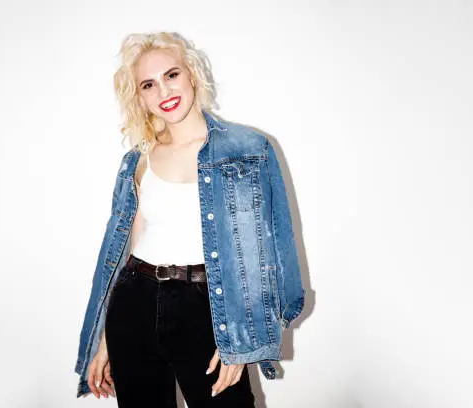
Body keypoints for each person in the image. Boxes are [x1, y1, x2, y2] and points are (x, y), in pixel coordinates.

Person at [73, 31, 305, 407]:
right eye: (148, 84)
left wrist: (243, 340)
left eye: (172, 75)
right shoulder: (137, 160)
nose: (164, 91)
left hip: (209, 310)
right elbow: (123, 251)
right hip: (135, 305)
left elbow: (276, 250)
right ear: (140, 97)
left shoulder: (249, 150)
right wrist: (103, 340)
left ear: (192, 75)